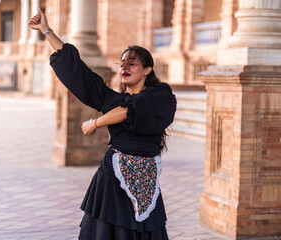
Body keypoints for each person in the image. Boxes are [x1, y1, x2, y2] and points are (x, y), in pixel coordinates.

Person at [29, 9, 176, 240]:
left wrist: (95, 122)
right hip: (112, 178)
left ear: (148, 69)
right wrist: (47, 31)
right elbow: (79, 73)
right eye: (122, 63)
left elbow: (130, 111)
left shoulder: (161, 95)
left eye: (133, 63)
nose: (124, 67)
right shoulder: (112, 99)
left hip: (146, 178)